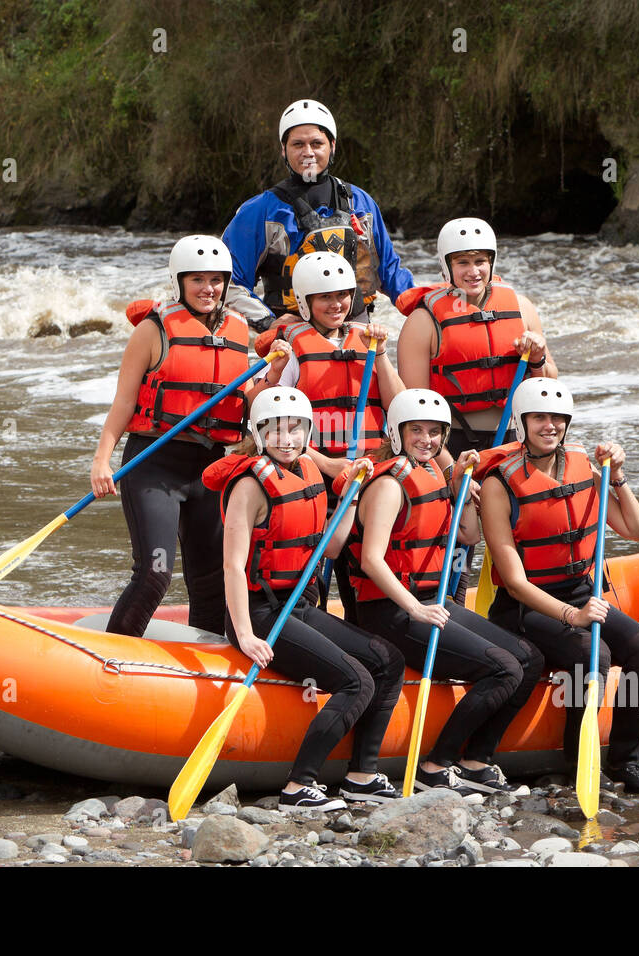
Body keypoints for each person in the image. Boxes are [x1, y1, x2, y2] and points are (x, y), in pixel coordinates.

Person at [203, 387, 405, 811]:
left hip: (297, 604)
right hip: (260, 613)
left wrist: (350, 496)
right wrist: (244, 634)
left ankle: (361, 776)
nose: (286, 438)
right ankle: (299, 787)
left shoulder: (309, 468)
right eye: (275, 430)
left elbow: (330, 549)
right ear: (258, 434)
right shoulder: (249, 486)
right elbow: (233, 567)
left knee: (388, 659)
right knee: (355, 680)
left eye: (295, 428)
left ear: (308, 431)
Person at [345, 389, 545, 797]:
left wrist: (461, 486)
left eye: (435, 432)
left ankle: (476, 761)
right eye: (416, 430)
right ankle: (436, 765)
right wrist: (415, 608)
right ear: (397, 432)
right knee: (504, 668)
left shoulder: (436, 472)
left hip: (430, 602)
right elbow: (371, 560)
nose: (427, 439)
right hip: (391, 610)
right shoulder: (389, 484)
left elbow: (468, 534)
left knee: (530, 658)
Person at [476, 378, 639, 795]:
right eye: (540, 418)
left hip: (581, 592)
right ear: (522, 423)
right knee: (591, 654)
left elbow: (638, 531)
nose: (550, 426)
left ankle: (626, 760)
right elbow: (512, 580)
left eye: (558, 419)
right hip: (525, 608)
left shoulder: (587, 467)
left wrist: (616, 477)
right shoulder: (499, 484)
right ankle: (578, 760)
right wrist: (572, 617)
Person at [89, 235, 286, 639]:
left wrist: (275, 375)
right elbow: (124, 403)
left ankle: (204, 668)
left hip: (212, 469)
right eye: (197, 279)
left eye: (216, 280)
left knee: (212, 579)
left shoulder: (238, 328)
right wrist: (101, 460)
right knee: (155, 573)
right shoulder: (153, 330)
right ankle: (115, 655)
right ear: (179, 282)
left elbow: (246, 402)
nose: (208, 289)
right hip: (155, 464)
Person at [396, 218, 557, 600]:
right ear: (447, 266)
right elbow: (415, 414)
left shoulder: (520, 308)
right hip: (454, 444)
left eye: (481, 261)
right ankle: (449, 606)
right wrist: (449, 467)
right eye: (463, 262)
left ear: (492, 262)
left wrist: (537, 357)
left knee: (523, 532)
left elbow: (550, 387)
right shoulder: (424, 321)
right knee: (459, 540)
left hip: (513, 442)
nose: (473, 271)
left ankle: (521, 611)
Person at [264, 251, 405, 621]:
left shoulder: (367, 340)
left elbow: (399, 406)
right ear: (306, 302)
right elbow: (274, 427)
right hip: (313, 471)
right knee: (314, 570)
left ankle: (365, 638)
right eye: (325, 297)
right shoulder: (292, 347)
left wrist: (384, 355)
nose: (337, 304)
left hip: (366, 472)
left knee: (359, 567)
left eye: (343, 295)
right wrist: (327, 464)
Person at [222, 99, 414, 330]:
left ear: (332, 146)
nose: (308, 152)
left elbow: (390, 272)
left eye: (316, 143)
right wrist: (269, 321)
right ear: (284, 149)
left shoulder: (361, 203)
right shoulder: (260, 211)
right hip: (292, 336)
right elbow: (228, 282)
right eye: (298, 144)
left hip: (354, 328)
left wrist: (423, 307)